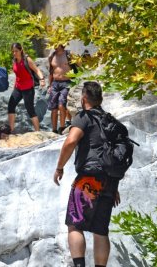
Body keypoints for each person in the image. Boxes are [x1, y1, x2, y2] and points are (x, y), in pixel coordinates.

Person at [53, 81, 121, 267]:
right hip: (109, 180)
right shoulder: (110, 120)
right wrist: (114, 186)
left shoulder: (84, 117)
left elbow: (70, 141)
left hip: (89, 178)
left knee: (75, 224)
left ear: (84, 99)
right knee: (101, 230)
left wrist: (60, 167)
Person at [7, 42, 45, 132]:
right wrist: (14, 88)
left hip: (28, 88)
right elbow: (18, 75)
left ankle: (38, 132)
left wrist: (42, 79)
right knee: (11, 106)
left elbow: (37, 70)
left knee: (30, 109)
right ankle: (10, 130)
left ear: (21, 50)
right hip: (18, 88)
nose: (14, 53)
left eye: (16, 51)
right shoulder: (14, 60)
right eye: (13, 51)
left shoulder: (27, 59)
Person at [48, 44, 77, 134]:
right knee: (53, 108)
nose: (55, 46)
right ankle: (54, 129)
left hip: (66, 82)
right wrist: (49, 85)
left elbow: (78, 66)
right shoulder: (52, 56)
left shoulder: (68, 54)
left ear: (61, 44)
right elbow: (51, 71)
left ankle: (62, 127)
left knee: (61, 105)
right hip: (55, 83)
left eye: (56, 44)